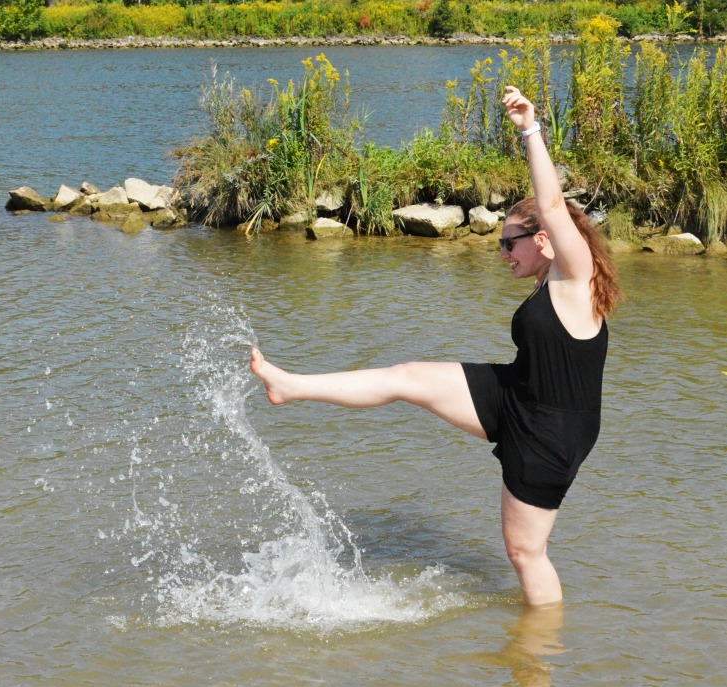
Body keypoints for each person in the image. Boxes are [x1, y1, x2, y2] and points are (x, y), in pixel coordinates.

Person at [250, 86, 620, 606]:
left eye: (508, 242)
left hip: (552, 429)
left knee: (524, 551)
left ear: (543, 240)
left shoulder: (573, 278)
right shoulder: (548, 283)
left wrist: (530, 130)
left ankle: (541, 649)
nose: (502, 253)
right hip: (518, 393)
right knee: (407, 377)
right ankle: (290, 386)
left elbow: (553, 204)